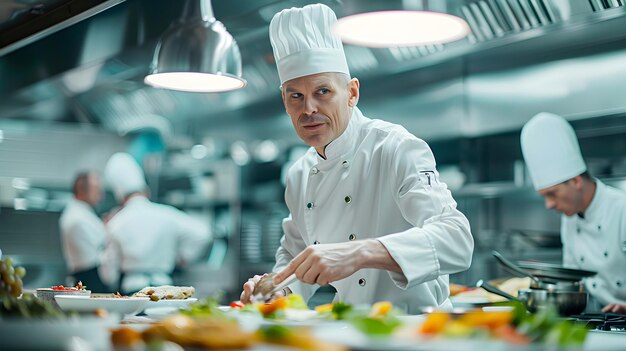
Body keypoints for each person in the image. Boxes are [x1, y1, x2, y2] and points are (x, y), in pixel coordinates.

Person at [239, 4, 474, 313]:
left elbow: (457, 240)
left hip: (416, 330)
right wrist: (275, 290)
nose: (308, 108)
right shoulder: (299, 175)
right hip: (348, 329)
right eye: (296, 96)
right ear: (285, 102)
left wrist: (361, 252)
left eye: (323, 91)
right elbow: (296, 258)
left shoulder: (395, 147)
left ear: (351, 93)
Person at [520, 112, 626, 313]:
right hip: (601, 321)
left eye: (552, 194)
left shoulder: (622, 210)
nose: (549, 205)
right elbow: (573, 281)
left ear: (576, 181)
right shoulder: (570, 217)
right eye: (544, 196)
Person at [100, 152, 212, 294]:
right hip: (165, 290)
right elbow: (203, 234)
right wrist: (182, 257)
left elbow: (108, 275)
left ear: (121, 197)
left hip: (133, 291)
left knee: (133, 318)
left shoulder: (116, 222)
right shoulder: (167, 214)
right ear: (146, 191)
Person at [59, 171, 109, 292]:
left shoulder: (82, 213)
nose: (101, 195)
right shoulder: (76, 217)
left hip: (91, 276)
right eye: (96, 190)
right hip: (88, 278)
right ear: (81, 190)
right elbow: (102, 248)